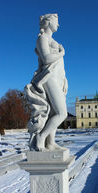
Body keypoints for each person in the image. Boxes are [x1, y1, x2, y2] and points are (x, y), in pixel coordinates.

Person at [25, 14, 68, 151]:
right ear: (49, 22)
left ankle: (50, 143)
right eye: (57, 22)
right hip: (49, 78)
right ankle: (41, 137)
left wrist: (65, 81)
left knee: (53, 112)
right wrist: (62, 53)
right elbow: (47, 58)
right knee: (62, 113)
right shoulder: (42, 38)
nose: (58, 25)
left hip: (58, 79)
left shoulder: (52, 39)